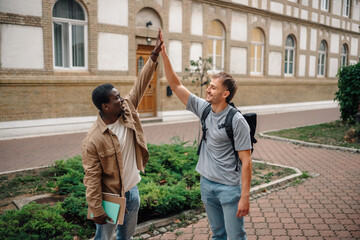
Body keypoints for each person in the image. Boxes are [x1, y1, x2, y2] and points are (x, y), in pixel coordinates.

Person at [160, 44, 252, 240]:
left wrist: (245, 197)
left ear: (225, 94)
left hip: (229, 188)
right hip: (207, 184)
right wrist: (164, 55)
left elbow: (247, 161)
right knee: (218, 235)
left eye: (213, 87)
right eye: (209, 85)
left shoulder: (237, 121)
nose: (208, 89)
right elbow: (176, 85)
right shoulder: (204, 109)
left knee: (235, 236)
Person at [81, 29, 163, 240]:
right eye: (116, 98)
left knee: (126, 237)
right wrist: (96, 209)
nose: (122, 99)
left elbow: (140, 85)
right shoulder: (93, 139)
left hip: (132, 190)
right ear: (106, 106)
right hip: (110, 198)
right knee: (104, 238)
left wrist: (153, 57)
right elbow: (91, 178)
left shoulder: (127, 110)